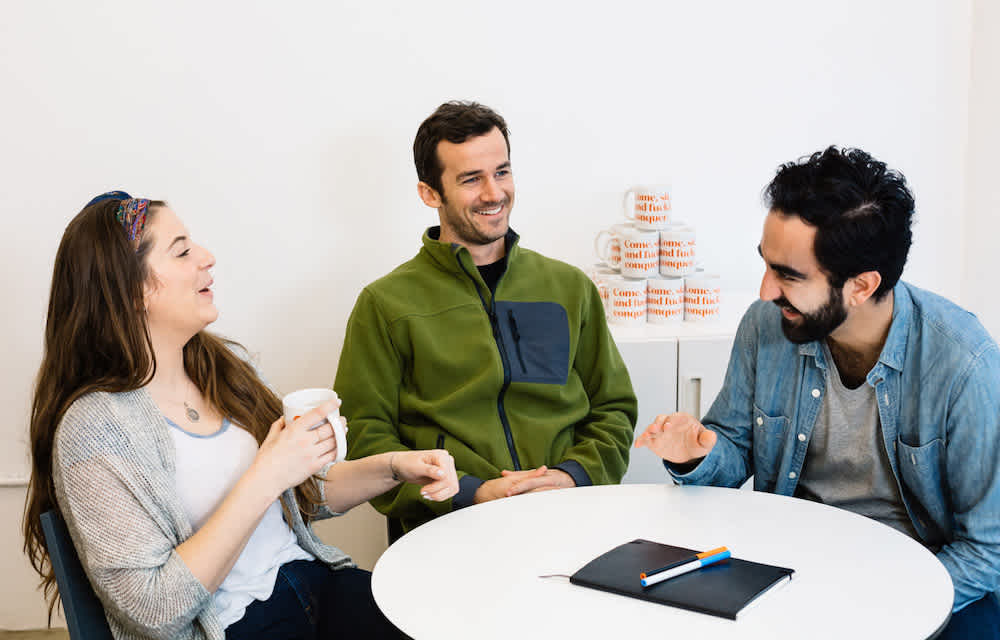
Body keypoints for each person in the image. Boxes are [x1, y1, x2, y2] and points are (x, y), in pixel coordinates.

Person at [23, 191, 459, 640]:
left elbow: (303, 494)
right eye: (183, 251)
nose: (207, 258)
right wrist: (267, 474)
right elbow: (154, 611)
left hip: (311, 586)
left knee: (441, 622)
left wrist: (394, 467)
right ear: (130, 289)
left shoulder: (221, 369)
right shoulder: (94, 429)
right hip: (231, 627)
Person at [636, 147, 1000, 638]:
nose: (766, 291)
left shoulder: (963, 363)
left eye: (789, 275)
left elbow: (988, 549)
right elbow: (731, 461)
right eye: (767, 265)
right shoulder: (767, 325)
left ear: (861, 286)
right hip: (782, 574)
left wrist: (885, 610)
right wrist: (693, 455)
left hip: (907, 587)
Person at [335, 101, 637, 533]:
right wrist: (469, 491)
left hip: (567, 514)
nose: (494, 193)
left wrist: (573, 476)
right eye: (471, 179)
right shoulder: (385, 305)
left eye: (501, 172)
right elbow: (365, 436)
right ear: (429, 193)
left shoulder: (569, 288)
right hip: (449, 528)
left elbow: (612, 407)